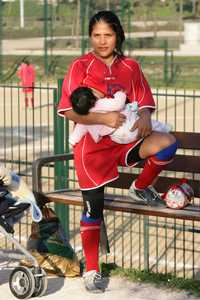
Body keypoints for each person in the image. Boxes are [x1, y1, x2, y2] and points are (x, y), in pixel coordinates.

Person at [57, 10, 178, 293]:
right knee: (93, 208)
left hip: (125, 141)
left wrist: (146, 115)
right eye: (96, 35)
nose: (102, 41)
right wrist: (103, 119)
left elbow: (143, 99)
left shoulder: (131, 67)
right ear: (90, 37)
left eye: (107, 35)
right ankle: (92, 269)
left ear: (118, 36)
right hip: (93, 150)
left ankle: (141, 187)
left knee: (167, 143)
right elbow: (69, 110)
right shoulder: (80, 66)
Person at [69, 86, 171, 146]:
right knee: (151, 123)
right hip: (128, 127)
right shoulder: (100, 103)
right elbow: (118, 103)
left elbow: (78, 130)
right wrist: (120, 93)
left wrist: (73, 140)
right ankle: (166, 128)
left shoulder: (86, 118)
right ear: (93, 96)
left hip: (118, 138)